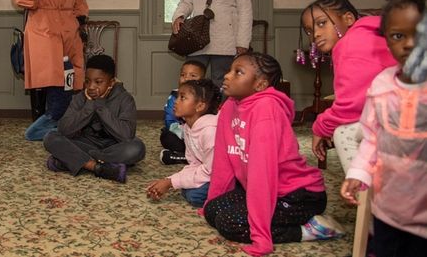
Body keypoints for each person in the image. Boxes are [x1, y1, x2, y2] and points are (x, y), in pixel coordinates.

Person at [203, 52, 344, 256]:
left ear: (260, 84)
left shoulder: (266, 109)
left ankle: (308, 230)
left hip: (298, 195)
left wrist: (261, 235)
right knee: (212, 210)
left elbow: (263, 173)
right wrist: (213, 198)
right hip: (258, 188)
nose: (227, 76)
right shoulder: (229, 107)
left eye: (238, 72)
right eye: (229, 70)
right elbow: (224, 161)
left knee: (230, 223)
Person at [341, 0, 427, 257]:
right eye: (398, 36)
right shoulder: (381, 86)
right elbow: (371, 137)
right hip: (388, 209)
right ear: (386, 40)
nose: (410, 44)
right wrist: (358, 172)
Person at [300, 0, 397, 171]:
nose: (315, 34)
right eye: (309, 30)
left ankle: (364, 192)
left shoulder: (350, 45)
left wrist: (320, 127)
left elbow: (351, 106)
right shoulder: (368, 33)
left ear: (349, 19)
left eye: (322, 23)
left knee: (343, 134)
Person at [11, 0, 89, 141]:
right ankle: (48, 126)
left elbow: (81, 3)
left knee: (68, 77)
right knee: (53, 78)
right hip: (42, 31)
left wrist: (77, 22)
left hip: (68, 31)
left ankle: (57, 125)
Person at [43, 55, 145, 183]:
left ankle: (72, 161)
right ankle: (97, 167)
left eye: (98, 82)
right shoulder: (80, 98)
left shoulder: (125, 99)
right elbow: (64, 130)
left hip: (114, 146)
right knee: (50, 137)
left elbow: (126, 135)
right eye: (87, 81)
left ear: (111, 83)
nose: (91, 87)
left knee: (137, 148)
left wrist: (100, 106)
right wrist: (89, 106)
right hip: (86, 143)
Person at [146, 79, 221, 207]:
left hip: (222, 175)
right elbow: (194, 163)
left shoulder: (210, 132)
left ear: (200, 106)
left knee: (194, 195)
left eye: (182, 98)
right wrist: (170, 180)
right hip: (209, 172)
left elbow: (210, 171)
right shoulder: (188, 127)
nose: (176, 101)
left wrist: (171, 182)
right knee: (187, 189)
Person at [159, 59, 206, 165]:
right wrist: (183, 132)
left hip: (202, 138)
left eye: (193, 76)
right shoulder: (175, 96)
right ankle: (187, 156)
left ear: (203, 80)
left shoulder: (206, 98)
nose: (187, 78)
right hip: (182, 136)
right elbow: (169, 119)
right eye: (183, 75)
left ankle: (183, 157)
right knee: (166, 136)